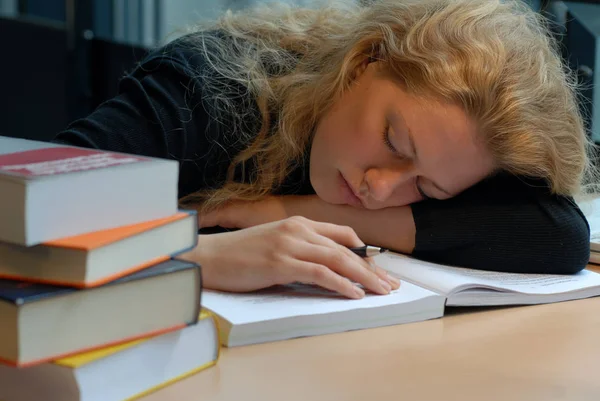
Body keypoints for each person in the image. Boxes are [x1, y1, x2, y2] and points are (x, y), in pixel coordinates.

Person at [52, 0, 595, 299]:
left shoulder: (456, 153)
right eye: (392, 141)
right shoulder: (207, 89)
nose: (380, 188)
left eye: (426, 188)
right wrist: (198, 255)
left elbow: (560, 234)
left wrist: (290, 212)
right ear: (365, 61)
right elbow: (26, 213)